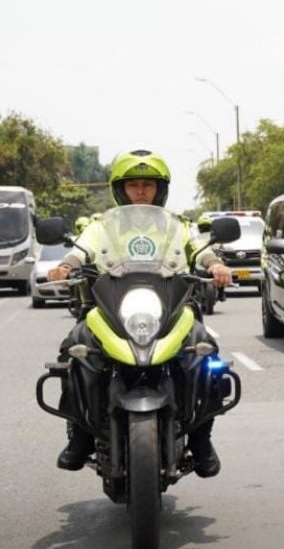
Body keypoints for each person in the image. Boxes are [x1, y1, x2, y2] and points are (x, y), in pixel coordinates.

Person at [48, 150, 233, 476]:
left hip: (170, 306)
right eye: (133, 185)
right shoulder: (101, 225)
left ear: (160, 189)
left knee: (206, 352)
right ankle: (80, 435)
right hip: (111, 306)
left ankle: (202, 438)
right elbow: (81, 250)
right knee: (74, 348)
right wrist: (65, 266)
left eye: (148, 184)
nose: (141, 192)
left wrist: (215, 265)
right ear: (121, 189)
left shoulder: (178, 226)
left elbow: (201, 250)